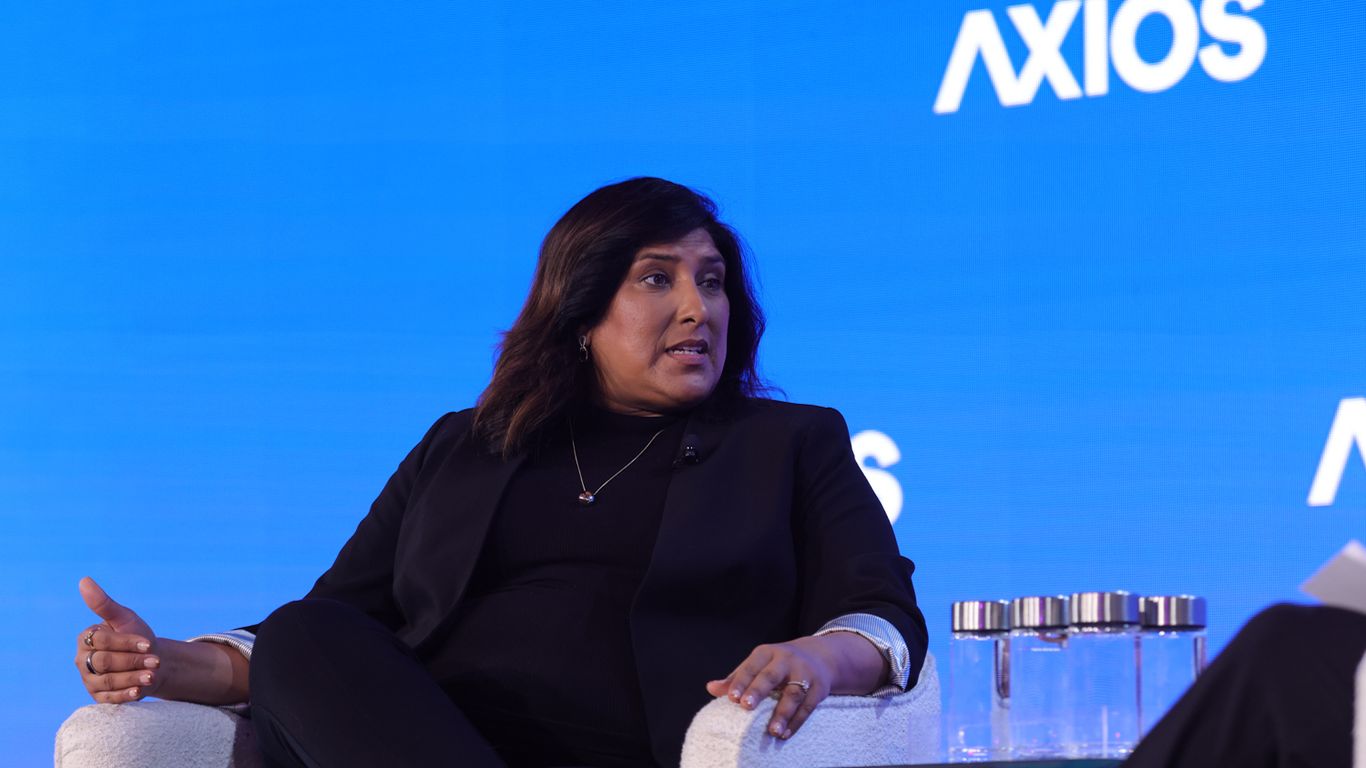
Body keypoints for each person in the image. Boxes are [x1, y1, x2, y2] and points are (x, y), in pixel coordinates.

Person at [73, 177, 929, 767]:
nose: (696, 307)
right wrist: (166, 665)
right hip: (427, 740)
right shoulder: (468, 444)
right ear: (581, 314)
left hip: (630, 746)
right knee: (307, 631)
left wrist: (820, 660)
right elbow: (329, 632)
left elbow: (882, 614)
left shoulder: (788, 443)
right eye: (656, 280)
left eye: (712, 283)